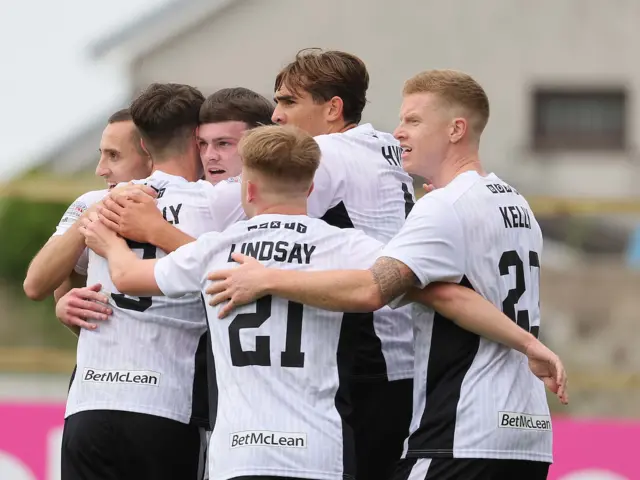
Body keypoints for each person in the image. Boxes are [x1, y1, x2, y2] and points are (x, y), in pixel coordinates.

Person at [77, 124, 555, 480]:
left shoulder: (218, 249)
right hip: (319, 455)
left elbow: (128, 277)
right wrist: (526, 343)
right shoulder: (348, 247)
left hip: (239, 457)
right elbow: (447, 295)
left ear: (248, 188)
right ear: (310, 186)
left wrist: (105, 237)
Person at [206, 70, 568, 480]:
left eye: (413, 121)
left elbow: (371, 289)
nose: (398, 133)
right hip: (527, 433)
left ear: (456, 129)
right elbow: (455, 291)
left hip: (464, 427)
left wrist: (267, 279)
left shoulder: (444, 206)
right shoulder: (515, 203)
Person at [60, 82, 232, 480]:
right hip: (168, 406)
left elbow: (42, 284)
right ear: (195, 138)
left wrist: (63, 300)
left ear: (145, 143)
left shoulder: (106, 201)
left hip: (90, 403)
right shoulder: (215, 202)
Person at [269, 48, 417, 480]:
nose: (276, 115)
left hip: (365, 357)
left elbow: (262, 236)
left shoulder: (324, 152)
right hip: (406, 350)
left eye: (288, 101)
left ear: (333, 109)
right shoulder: (385, 146)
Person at [55, 87, 273, 328]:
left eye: (224, 144)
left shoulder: (229, 197)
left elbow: (241, 276)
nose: (210, 155)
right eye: (203, 144)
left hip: (208, 357)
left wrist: (152, 231)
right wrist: (66, 308)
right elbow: (43, 285)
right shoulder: (111, 199)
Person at [23, 109, 153, 325]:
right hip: (102, 357)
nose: (100, 170)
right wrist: (94, 212)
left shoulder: (195, 203)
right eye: (101, 154)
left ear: (150, 157)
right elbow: (36, 286)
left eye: (114, 156)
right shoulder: (92, 202)